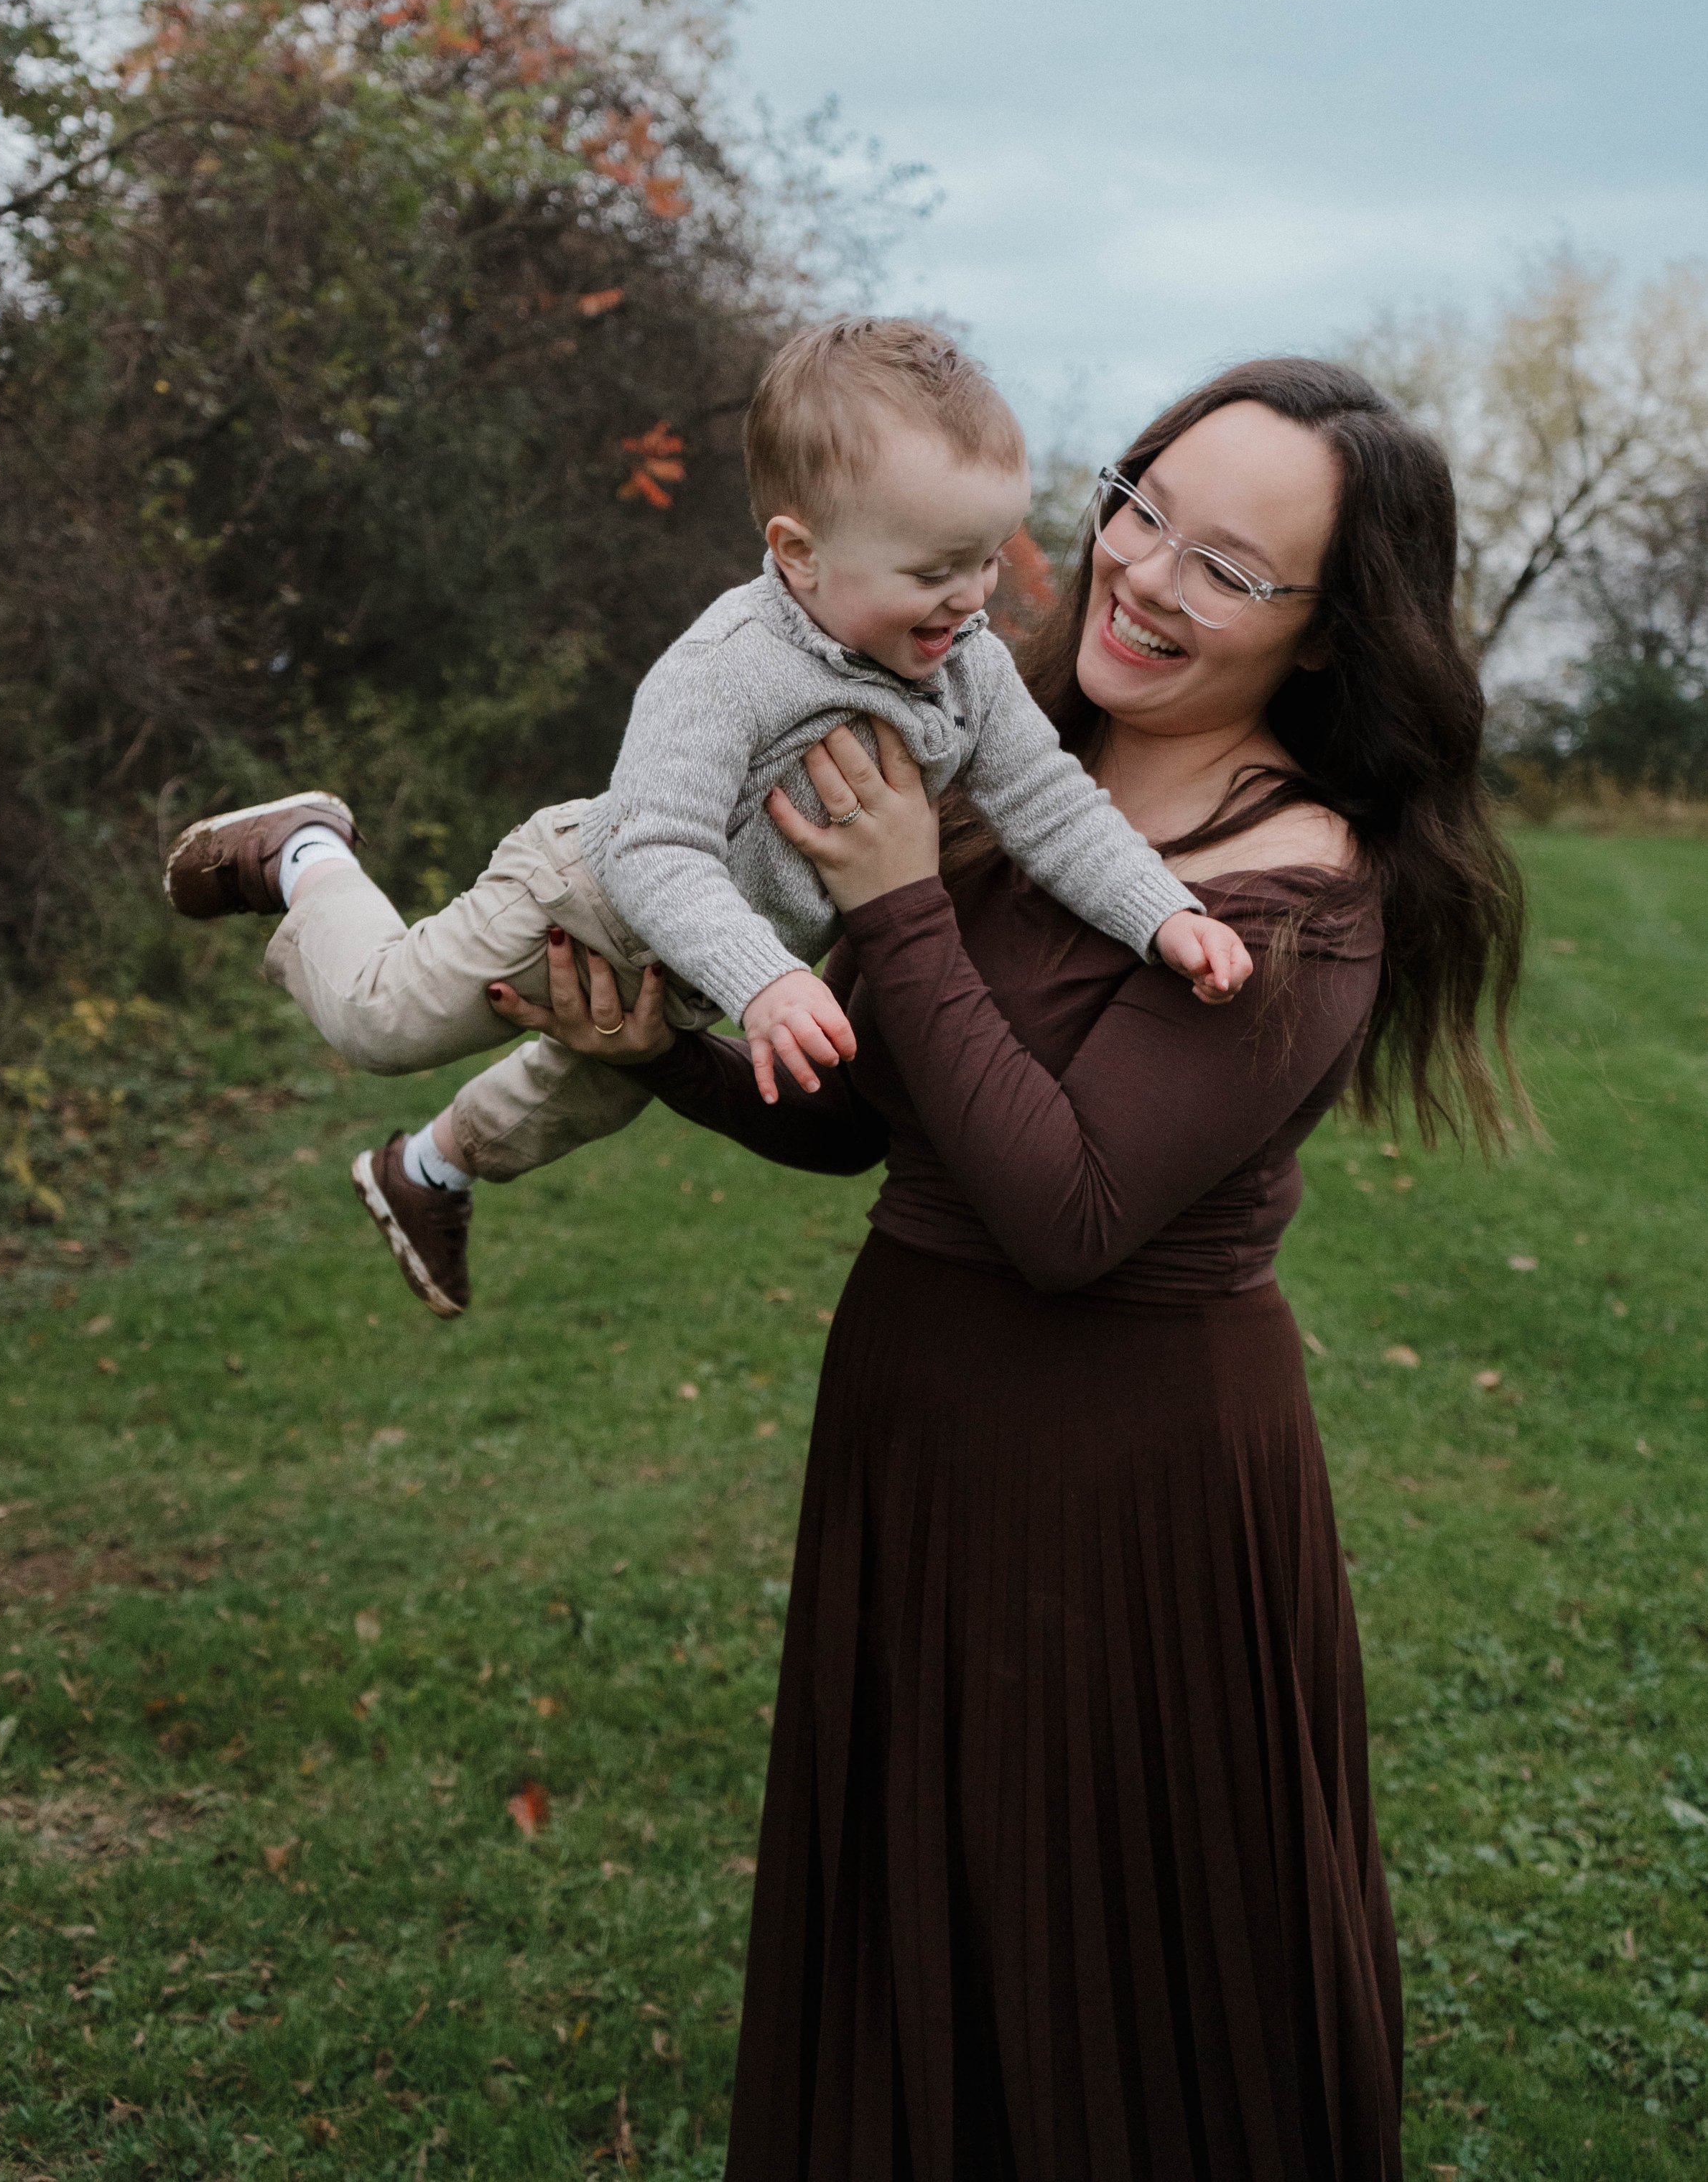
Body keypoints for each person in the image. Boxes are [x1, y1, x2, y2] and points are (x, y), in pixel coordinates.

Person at [493, 358, 1527, 2180]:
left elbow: (1067, 1211)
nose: (1141, 575)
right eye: (1140, 508)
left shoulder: (1296, 889)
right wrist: (665, 1047)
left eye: (1228, 567)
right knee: (925, 1945)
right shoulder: (983, 748)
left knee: (1121, 1977)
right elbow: (880, 1127)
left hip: (1129, 1494)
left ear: (1322, 634)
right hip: (912, 1438)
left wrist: (896, 899)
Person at [162, 317, 1250, 1318]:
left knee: (577, 1098)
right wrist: (766, 982)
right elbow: (649, 842)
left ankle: (425, 1173)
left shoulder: (968, 667)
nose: (971, 597)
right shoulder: (732, 665)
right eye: (932, 570)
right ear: (799, 552)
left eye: (984, 557)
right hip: (584, 899)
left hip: (689, 974)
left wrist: (1163, 913)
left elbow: (1052, 803)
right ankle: (304, 848)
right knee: (380, 1021)